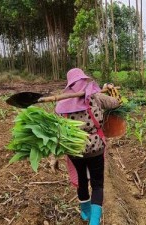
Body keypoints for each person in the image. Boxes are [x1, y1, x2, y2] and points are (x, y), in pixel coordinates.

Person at [55, 68, 121, 225]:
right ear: (84, 81)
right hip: (95, 148)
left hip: (75, 149)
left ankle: (85, 212)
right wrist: (111, 89)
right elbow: (116, 103)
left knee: (82, 180)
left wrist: (54, 156)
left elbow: (58, 132)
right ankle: (94, 221)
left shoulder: (61, 103)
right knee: (97, 184)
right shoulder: (96, 97)